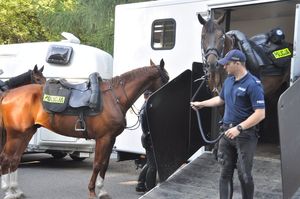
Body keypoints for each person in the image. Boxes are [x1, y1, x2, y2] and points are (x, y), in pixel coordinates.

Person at [191, 49, 265, 199]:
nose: (224, 67)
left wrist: (239, 128)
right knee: (225, 173)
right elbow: (221, 99)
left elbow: (260, 114)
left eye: (227, 64)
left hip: (245, 135)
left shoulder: (253, 84)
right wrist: (202, 104)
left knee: (244, 175)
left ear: (237, 63)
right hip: (226, 132)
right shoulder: (229, 81)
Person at [136, 90, 157, 192]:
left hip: (146, 138)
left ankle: (140, 183)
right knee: (153, 166)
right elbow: (148, 127)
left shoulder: (144, 107)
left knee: (150, 163)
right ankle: (150, 189)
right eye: (151, 96)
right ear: (146, 97)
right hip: (149, 139)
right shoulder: (147, 109)